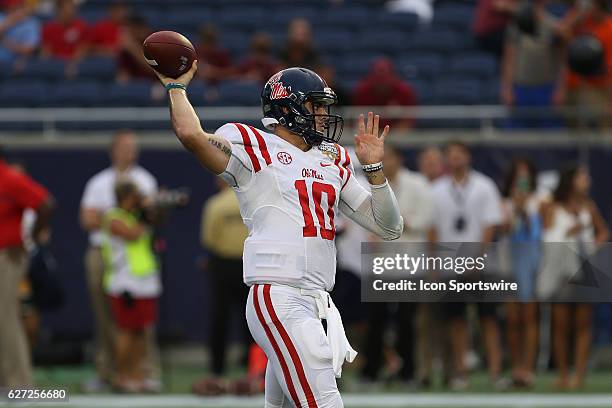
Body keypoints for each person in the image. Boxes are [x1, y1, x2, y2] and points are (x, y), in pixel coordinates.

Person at [154, 61, 403, 407]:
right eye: (315, 106)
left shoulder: (332, 160)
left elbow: (389, 226)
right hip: (280, 296)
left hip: (314, 298)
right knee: (325, 402)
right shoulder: (253, 145)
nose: (322, 114)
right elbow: (192, 135)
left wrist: (374, 170)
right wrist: (176, 88)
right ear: (288, 107)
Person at [79, 130, 159, 392]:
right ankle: (111, 373)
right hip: (109, 258)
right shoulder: (99, 183)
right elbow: (88, 219)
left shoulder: (145, 179)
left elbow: (153, 217)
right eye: (124, 147)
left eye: (133, 147)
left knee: (139, 325)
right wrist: (129, 214)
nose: (129, 152)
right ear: (113, 150)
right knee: (110, 320)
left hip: (139, 265)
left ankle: (141, 373)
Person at [428, 141, 505, 390]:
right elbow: (433, 230)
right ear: (446, 159)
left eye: (460, 153)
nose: (456, 158)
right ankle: (461, 373)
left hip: (481, 266)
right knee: (456, 322)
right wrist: (434, 265)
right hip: (450, 266)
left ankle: (495, 373)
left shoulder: (484, 186)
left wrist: (478, 259)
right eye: (451, 154)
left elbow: (490, 226)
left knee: (488, 320)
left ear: (468, 156)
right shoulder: (437, 189)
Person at [361, 145, 432, 386]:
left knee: (406, 321)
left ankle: (408, 373)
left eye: (389, 157)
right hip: (380, 264)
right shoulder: (369, 185)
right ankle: (371, 372)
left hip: (408, 263)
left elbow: (426, 219)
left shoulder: (418, 183)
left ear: (399, 159)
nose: (386, 162)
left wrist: (398, 223)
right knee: (376, 321)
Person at [538, 165, 608, 389]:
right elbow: (545, 234)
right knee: (560, 325)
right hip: (560, 271)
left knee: (583, 324)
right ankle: (562, 375)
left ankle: (579, 374)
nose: (587, 180)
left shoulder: (589, 206)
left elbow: (603, 231)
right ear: (570, 181)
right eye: (582, 176)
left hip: (584, 270)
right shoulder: (552, 206)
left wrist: (593, 248)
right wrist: (567, 234)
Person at [0, 145, 53, 387]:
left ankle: (19, 385)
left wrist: (30, 235)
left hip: (6, 256)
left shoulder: (9, 178)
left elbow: (45, 203)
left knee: (6, 318)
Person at [101, 180, 161, 392]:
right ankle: (121, 376)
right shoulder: (113, 217)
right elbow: (132, 234)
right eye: (135, 197)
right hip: (123, 283)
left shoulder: (137, 216)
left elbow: (153, 224)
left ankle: (137, 376)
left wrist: (156, 208)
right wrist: (146, 213)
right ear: (125, 198)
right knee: (126, 331)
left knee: (139, 332)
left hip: (144, 281)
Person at [198, 180, 250, 381]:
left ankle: (217, 369)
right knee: (253, 319)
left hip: (222, 264)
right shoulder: (251, 200)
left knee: (219, 319)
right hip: (249, 264)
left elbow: (208, 239)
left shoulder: (215, 204)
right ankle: (254, 367)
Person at [500, 158, 543, 388]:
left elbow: (538, 234)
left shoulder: (540, 202)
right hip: (509, 264)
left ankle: (529, 368)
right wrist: (515, 208)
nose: (522, 182)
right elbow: (505, 230)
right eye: (519, 178)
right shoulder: (504, 203)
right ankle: (516, 367)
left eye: (526, 178)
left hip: (531, 264)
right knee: (513, 318)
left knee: (529, 317)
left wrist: (525, 209)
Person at [500, 0, 566, 128]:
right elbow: (509, 59)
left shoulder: (555, 27)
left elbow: (562, 62)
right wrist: (507, 88)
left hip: (546, 89)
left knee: (550, 137)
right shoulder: (516, 26)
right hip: (520, 88)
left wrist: (560, 89)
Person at [558, 0, 612, 129]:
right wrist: (579, 13)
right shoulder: (580, 22)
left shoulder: (610, 27)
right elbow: (561, 31)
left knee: (602, 129)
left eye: (592, 5)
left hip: (599, 87)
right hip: (574, 85)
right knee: (574, 129)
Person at [352, 58, 417, 131]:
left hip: (397, 134)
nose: (382, 85)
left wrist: (395, 136)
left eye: (384, 80)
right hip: (370, 132)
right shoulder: (362, 91)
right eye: (379, 81)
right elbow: (358, 118)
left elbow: (408, 119)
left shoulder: (404, 91)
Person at [0, 0, 40, 66]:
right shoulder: (2, 17)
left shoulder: (31, 23)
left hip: (15, 64)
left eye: (18, 6)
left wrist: (5, 42)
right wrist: (10, 21)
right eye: (12, 5)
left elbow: (29, 49)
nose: (15, 7)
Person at [116, 15, 155, 81]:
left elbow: (154, 70)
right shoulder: (127, 48)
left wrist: (133, 48)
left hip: (157, 85)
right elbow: (123, 73)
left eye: (128, 29)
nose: (125, 33)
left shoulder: (155, 41)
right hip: (136, 84)